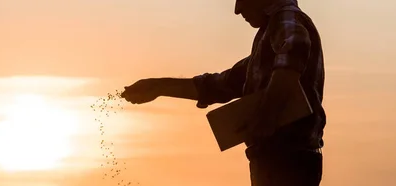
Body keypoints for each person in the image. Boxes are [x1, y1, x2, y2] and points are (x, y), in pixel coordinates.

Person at [120, 0, 325, 185]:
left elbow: (296, 47)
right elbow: (221, 84)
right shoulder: (266, 44)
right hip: (273, 159)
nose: (238, 10)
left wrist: (268, 115)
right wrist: (158, 87)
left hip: (288, 159)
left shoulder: (286, 17)